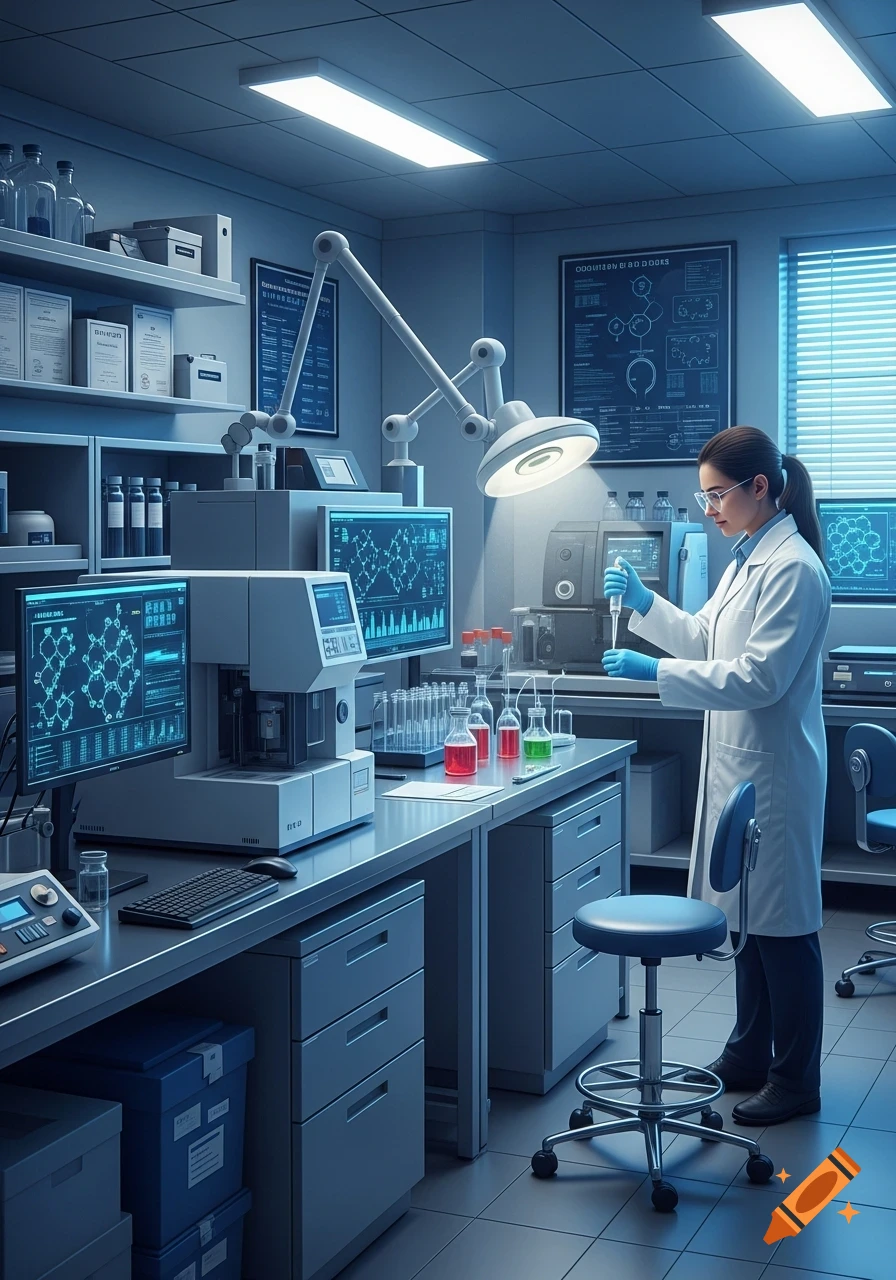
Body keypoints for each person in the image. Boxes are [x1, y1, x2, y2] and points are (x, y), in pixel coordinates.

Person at [602, 426, 831, 1126]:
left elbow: (759, 677)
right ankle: (746, 1054)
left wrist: (656, 673)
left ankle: (796, 1079)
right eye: (703, 496)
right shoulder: (747, 559)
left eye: (716, 494)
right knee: (751, 924)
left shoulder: (792, 568)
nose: (708, 508)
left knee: (786, 930)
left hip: (777, 776)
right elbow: (707, 638)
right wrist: (647, 606)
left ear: (760, 487)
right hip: (743, 768)